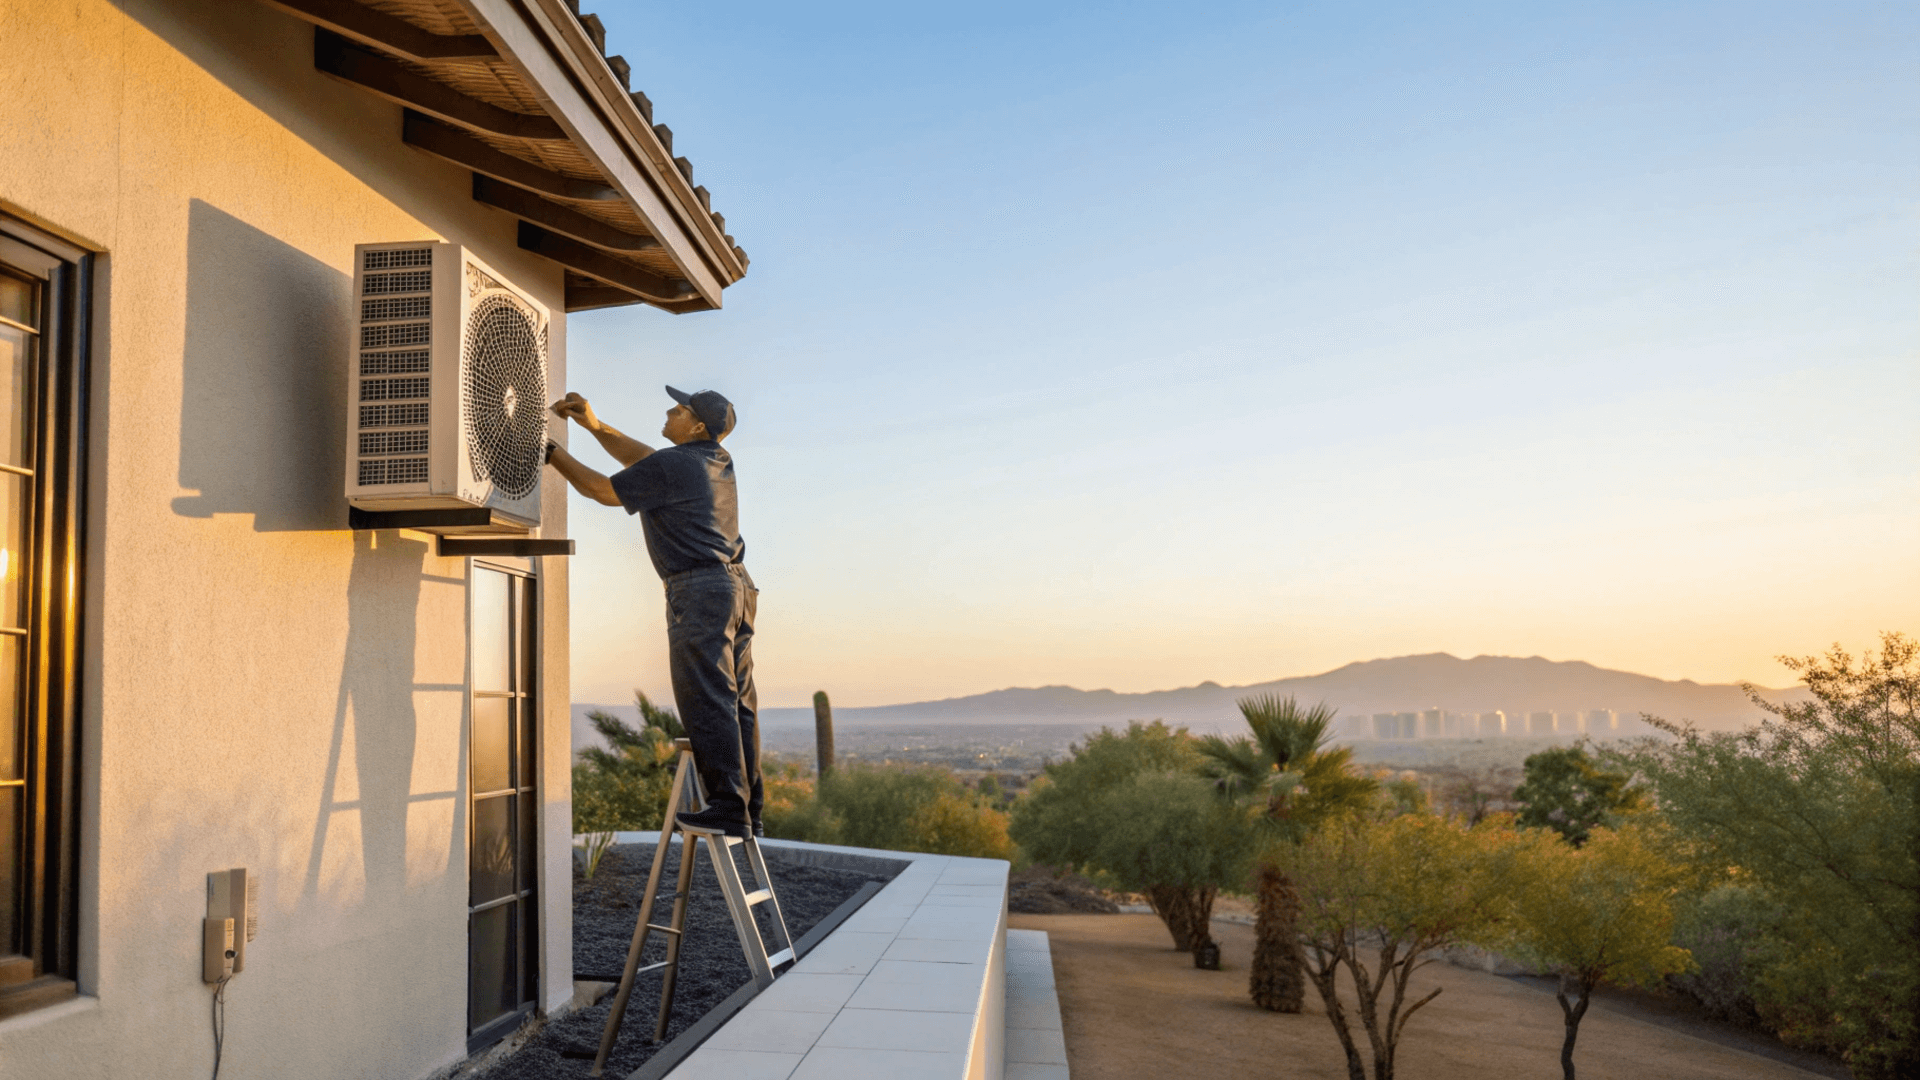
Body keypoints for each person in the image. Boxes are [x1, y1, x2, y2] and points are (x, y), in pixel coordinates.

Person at [545, 386, 762, 839]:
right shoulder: (713, 460)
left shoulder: (677, 464)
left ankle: (727, 808)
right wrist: (594, 425)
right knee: (737, 700)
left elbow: (602, 490)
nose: (669, 410)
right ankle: (748, 808)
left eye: (679, 409)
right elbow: (642, 457)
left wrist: (548, 451)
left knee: (706, 698)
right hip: (736, 588)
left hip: (700, 591)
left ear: (697, 426)